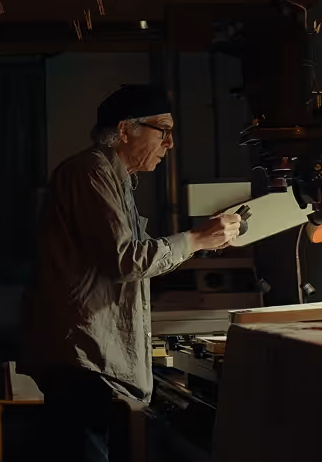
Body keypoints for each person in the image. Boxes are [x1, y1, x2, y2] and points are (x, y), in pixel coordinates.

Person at [20, 84, 246, 462]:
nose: (170, 144)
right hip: (83, 365)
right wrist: (195, 238)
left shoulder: (117, 180)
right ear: (125, 130)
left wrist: (201, 242)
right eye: (164, 131)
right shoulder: (91, 172)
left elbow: (132, 263)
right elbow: (126, 261)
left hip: (94, 365)